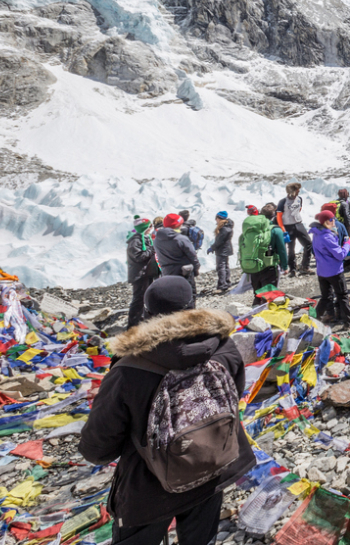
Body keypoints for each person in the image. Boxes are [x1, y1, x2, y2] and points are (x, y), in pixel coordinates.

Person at [80, 277, 254, 545]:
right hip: (213, 465)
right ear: (193, 307)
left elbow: (98, 448)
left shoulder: (128, 369)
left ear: (147, 314)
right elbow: (233, 395)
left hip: (150, 487)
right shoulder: (223, 347)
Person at [311, 211, 350, 327]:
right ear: (326, 222)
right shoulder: (327, 236)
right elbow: (340, 255)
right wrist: (347, 244)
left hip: (322, 271)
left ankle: (314, 318)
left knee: (325, 297)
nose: (334, 221)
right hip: (334, 271)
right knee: (342, 296)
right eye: (332, 219)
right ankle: (348, 323)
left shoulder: (316, 234)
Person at [153, 213, 200, 295]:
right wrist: (196, 269)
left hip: (167, 272)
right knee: (188, 295)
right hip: (184, 272)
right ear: (177, 225)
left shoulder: (157, 239)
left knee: (172, 296)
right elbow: (192, 256)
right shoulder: (181, 239)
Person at [125, 217, 159, 328]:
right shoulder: (135, 240)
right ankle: (133, 325)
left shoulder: (144, 237)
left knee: (144, 297)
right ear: (144, 228)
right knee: (138, 299)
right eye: (149, 226)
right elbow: (139, 257)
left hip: (146, 273)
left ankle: (140, 320)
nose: (151, 228)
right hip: (140, 275)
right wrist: (153, 249)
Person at [247, 204, 288, 293]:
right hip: (269, 266)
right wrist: (284, 266)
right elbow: (282, 250)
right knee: (270, 295)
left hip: (254, 266)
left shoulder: (252, 228)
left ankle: (256, 305)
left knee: (257, 294)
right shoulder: (275, 230)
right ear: (273, 216)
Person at [277, 182, 313, 277]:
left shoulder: (299, 199)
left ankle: (305, 266)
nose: (299, 191)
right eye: (297, 190)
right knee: (291, 248)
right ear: (293, 191)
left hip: (298, 224)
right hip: (288, 227)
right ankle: (292, 269)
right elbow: (279, 216)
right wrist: (283, 229)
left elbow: (299, 209)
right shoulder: (283, 202)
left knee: (308, 243)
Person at [207, 211, 234, 292]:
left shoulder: (223, 229)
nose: (216, 220)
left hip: (222, 250)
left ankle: (222, 285)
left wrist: (212, 247)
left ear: (219, 218)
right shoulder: (228, 226)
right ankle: (227, 282)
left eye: (216, 218)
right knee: (225, 266)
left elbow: (219, 241)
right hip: (226, 249)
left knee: (221, 267)